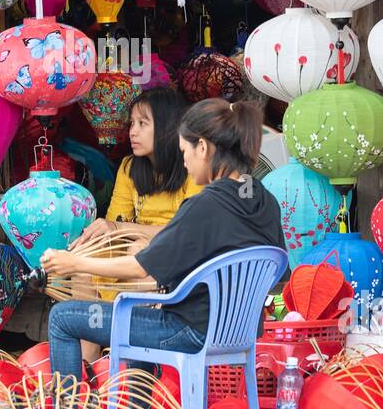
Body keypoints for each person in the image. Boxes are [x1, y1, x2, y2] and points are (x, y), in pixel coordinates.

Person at [41, 99, 283, 384]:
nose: (184, 162)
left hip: (188, 331)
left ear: (203, 148)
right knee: (140, 312)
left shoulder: (204, 205)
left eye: (185, 151)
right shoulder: (266, 201)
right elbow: (278, 277)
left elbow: (141, 268)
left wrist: (74, 262)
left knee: (62, 317)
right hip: (240, 333)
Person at [74, 87, 201, 249]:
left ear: (168, 126)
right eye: (132, 123)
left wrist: (120, 228)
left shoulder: (193, 166)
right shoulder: (129, 167)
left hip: (182, 254)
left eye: (142, 123)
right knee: (84, 254)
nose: (133, 132)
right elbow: (115, 221)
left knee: (139, 249)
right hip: (135, 249)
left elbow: (188, 232)